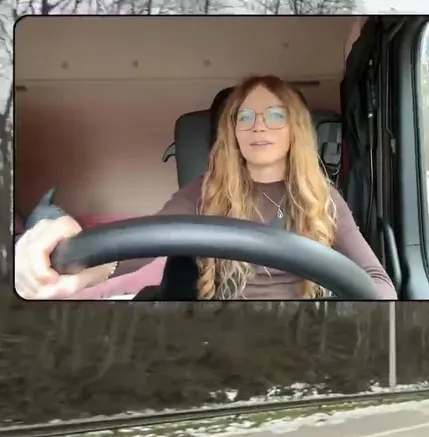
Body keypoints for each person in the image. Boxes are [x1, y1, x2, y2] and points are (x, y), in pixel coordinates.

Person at [14, 75, 396, 300]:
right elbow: (142, 247)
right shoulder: (205, 191)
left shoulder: (324, 198)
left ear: (294, 130)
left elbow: (378, 283)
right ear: (233, 132)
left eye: (274, 115)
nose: (258, 125)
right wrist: (76, 265)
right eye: (244, 117)